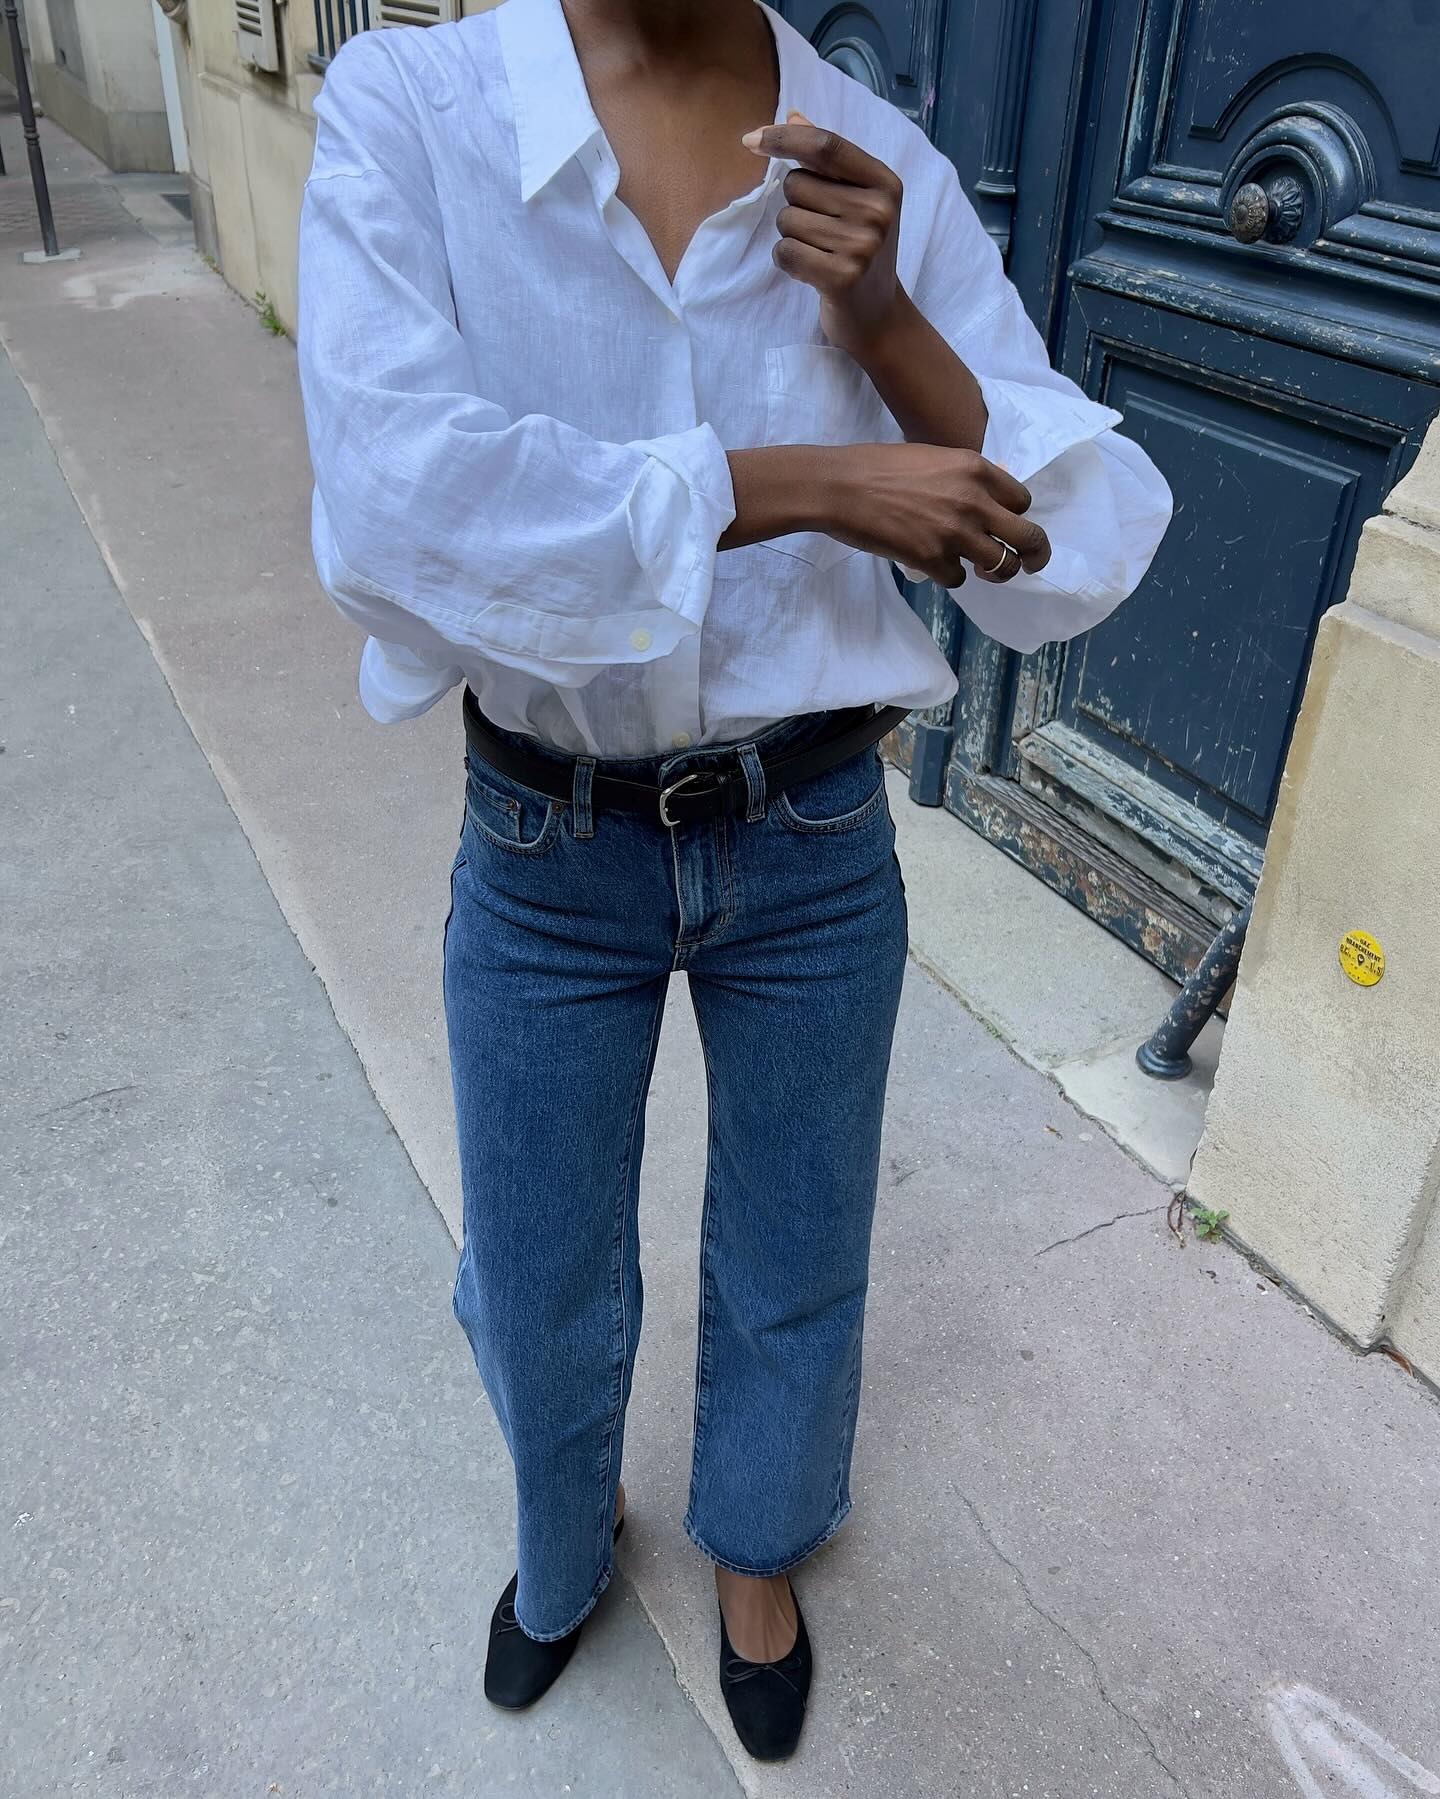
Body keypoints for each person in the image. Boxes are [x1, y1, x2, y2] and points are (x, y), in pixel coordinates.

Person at [297, 0, 1171, 1761]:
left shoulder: (877, 156)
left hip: (811, 835)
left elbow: (1069, 554)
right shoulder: (418, 105)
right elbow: (396, 499)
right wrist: (804, 484)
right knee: (539, 1274)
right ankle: (563, 1546)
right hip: (549, 842)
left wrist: (886, 321)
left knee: (795, 1246)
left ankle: (758, 1551)